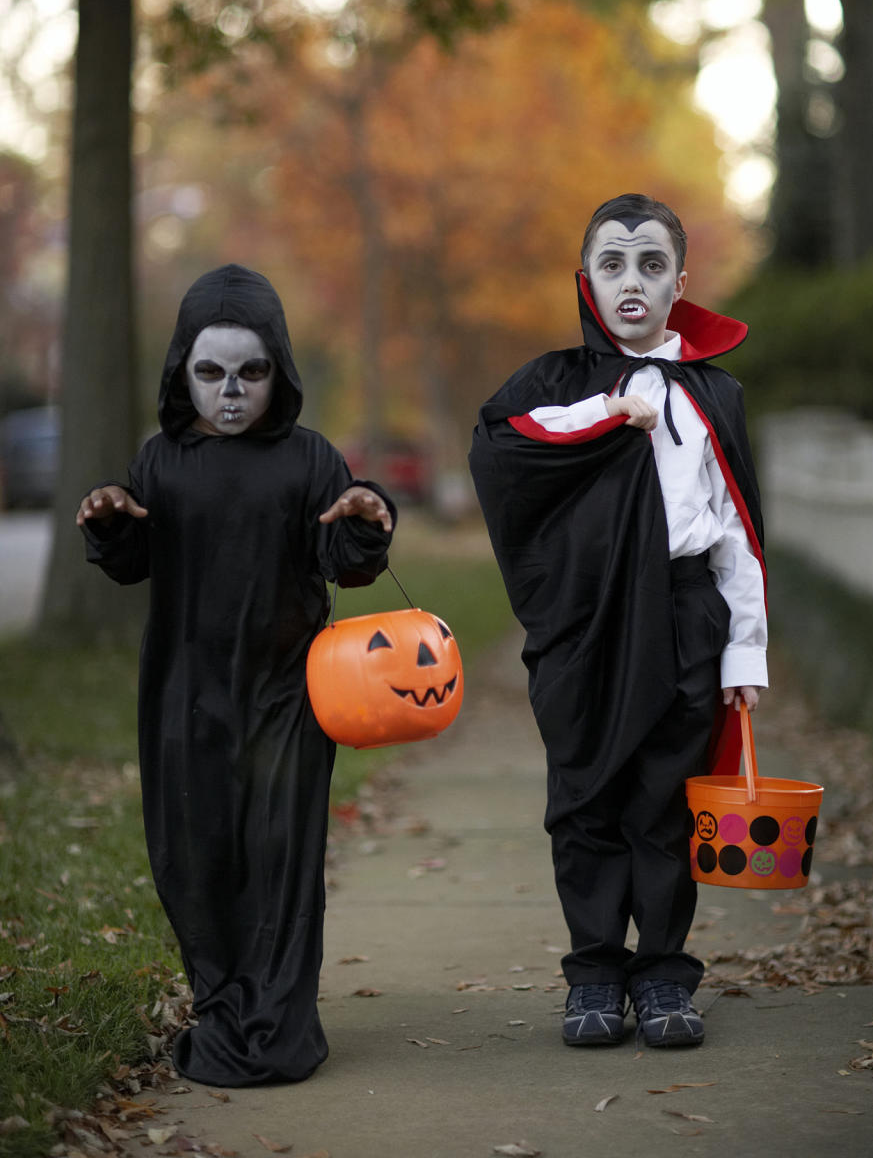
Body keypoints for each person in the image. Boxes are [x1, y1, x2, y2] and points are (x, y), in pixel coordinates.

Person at [77, 264, 396, 1087]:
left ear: (278, 370)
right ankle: (223, 1012)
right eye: (210, 373)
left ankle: (282, 1027)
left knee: (280, 862)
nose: (229, 393)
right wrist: (112, 523)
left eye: (251, 373)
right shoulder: (161, 463)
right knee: (197, 856)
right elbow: (131, 560)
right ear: (183, 371)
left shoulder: (309, 460)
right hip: (185, 698)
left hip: (289, 697)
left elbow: (343, 562)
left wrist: (362, 521)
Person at [469, 194, 766, 1051]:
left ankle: (666, 975)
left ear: (680, 283)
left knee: (665, 804)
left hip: (683, 616)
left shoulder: (714, 394)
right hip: (585, 619)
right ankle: (595, 973)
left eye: (649, 264)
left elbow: (739, 530)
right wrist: (608, 415)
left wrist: (746, 651)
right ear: (585, 281)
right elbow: (505, 444)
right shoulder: (557, 382)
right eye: (611, 264)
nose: (630, 282)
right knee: (586, 798)